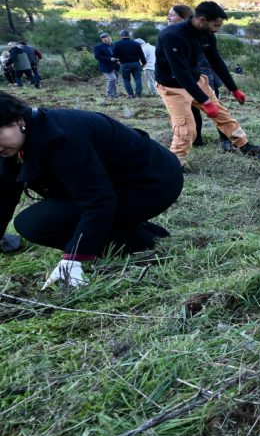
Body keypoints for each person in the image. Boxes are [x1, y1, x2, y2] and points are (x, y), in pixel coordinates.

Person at [0, 92, 183, 289]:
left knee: (36, 224)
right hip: (113, 183)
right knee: (36, 219)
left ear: (18, 120)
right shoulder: (14, 144)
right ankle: (132, 230)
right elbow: (4, 197)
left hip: (153, 182)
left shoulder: (59, 138)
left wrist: (73, 258)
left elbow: (98, 201)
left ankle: (139, 241)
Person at [155, 1, 260, 166]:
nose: (217, 29)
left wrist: (234, 89)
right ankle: (176, 165)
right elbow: (180, 72)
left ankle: (247, 148)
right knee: (186, 129)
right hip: (172, 87)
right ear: (202, 20)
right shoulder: (172, 36)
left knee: (223, 115)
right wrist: (204, 101)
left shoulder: (207, 35)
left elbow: (216, 62)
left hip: (196, 80)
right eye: (216, 25)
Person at [166, 5, 232, 151]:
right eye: (168, 14)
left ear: (183, 18)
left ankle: (225, 140)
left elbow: (207, 63)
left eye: (172, 15)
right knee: (192, 112)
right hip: (183, 83)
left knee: (216, 110)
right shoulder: (171, 35)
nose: (168, 18)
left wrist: (209, 87)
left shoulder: (198, 34)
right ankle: (197, 140)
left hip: (203, 78)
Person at [112, 29, 146, 98]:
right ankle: (138, 94)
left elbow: (114, 56)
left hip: (124, 64)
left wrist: (117, 61)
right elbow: (141, 54)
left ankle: (130, 95)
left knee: (126, 80)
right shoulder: (136, 44)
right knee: (138, 79)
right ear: (129, 35)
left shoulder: (117, 44)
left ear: (121, 36)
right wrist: (144, 63)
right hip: (135, 63)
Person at [93, 33, 120, 98]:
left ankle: (115, 94)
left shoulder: (113, 45)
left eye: (109, 38)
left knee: (115, 81)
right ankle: (109, 94)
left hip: (115, 66)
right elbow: (97, 56)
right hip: (106, 66)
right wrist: (110, 59)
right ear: (103, 40)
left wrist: (118, 59)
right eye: (107, 38)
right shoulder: (99, 47)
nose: (109, 39)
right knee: (112, 79)